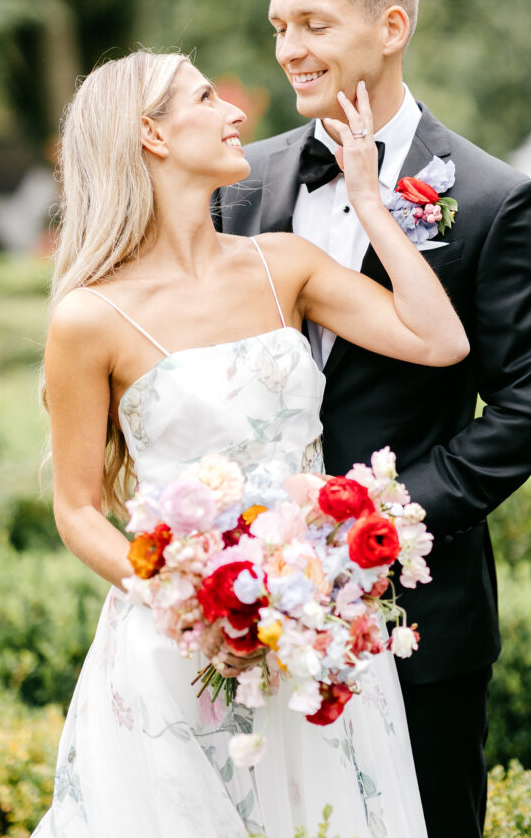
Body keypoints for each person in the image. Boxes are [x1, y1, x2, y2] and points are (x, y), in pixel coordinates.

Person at [33, 49, 469, 838]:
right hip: (184, 650)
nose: (237, 112)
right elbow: (78, 510)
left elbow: (439, 341)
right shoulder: (87, 319)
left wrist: (369, 200)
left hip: (318, 639)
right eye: (206, 97)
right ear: (152, 136)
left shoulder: (285, 266)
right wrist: (187, 604)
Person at [215, 0, 531, 838]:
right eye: (278, 27)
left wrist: (382, 517)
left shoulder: (492, 201)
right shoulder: (239, 187)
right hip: (253, 602)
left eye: (314, 25)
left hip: (418, 610)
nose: (291, 50)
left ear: (391, 25)